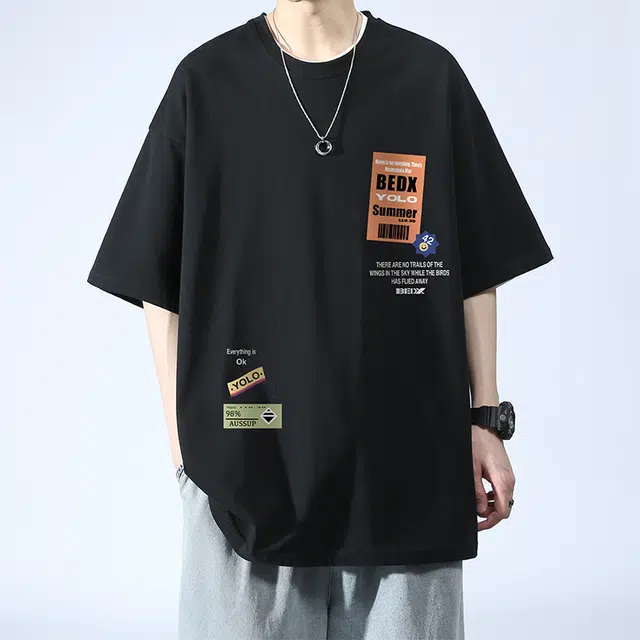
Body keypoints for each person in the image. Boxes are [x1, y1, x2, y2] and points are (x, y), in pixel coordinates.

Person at [86, 1, 554, 638]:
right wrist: (186, 452)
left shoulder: (427, 78)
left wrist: (485, 418)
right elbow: (157, 283)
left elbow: (475, 264)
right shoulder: (207, 83)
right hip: (246, 477)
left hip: (406, 473)